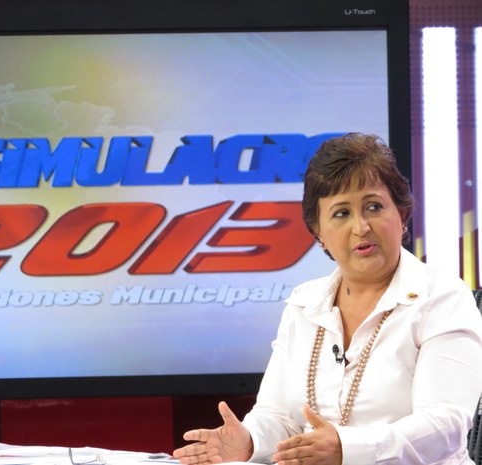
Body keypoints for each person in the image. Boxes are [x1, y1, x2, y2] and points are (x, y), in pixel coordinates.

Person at [172, 133, 482, 464]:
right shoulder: (305, 304)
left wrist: (346, 448)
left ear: (401, 215)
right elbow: (279, 417)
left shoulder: (442, 298)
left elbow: (445, 425)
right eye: (341, 213)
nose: (361, 227)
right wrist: (249, 442)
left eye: (374, 207)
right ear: (318, 233)